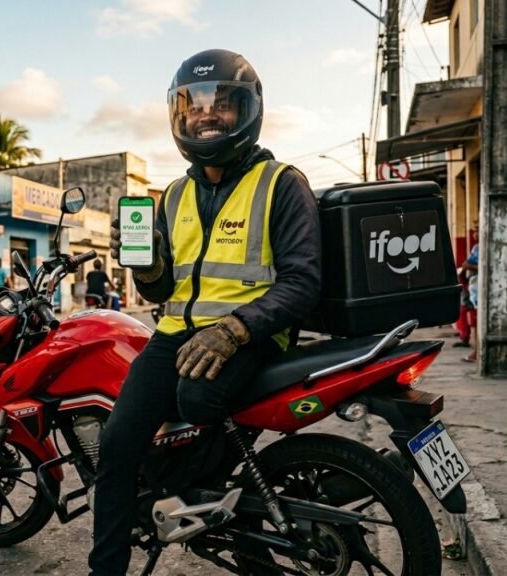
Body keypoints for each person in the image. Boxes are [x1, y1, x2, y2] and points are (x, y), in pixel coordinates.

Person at [89, 49, 322, 575]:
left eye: (221, 104)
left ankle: (225, 512)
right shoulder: (173, 195)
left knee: (197, 399)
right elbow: (161, 290)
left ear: (248, 110)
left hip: (252, 334)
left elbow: (302, 282)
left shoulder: (281, 183)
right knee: (118, 441)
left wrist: (234, 330)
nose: (205, 115)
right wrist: (146, 264)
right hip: (175, 334)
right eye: (192, 106)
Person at [461, 242, 480, 363]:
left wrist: (469, 266)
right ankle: (477, 351)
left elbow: (484, 266)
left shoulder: (481, 248)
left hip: (480, 288)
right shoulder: (477, 247)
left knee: (478, 321)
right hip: (474, 288)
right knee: (475, 320)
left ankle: (478, 351)